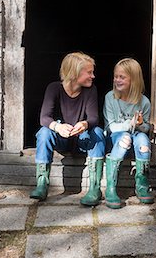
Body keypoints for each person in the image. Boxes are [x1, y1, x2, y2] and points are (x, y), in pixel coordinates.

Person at [30, 52, 105, 206]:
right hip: (61, 139)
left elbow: (93, 118)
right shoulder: (54, 88)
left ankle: (94, 188)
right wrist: (58, 127)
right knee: (44, 132)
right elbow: (44, 118)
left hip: (82, 140)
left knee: (97, 131)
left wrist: (84, 124)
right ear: (75, 73)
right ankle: (42, 184)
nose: (93, 76)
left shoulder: (90, 90)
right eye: (89, 72)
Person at [103, 58, 154, 209]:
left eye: (122, 77)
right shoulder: (110, 97)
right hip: (116, 137)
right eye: (116, 76)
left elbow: (146, 128)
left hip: (136, 136)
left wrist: (139, 124)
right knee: (125, 138)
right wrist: (129, 123)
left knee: (144, 142)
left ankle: (142, 184)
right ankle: (111, 188)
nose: (117, 80)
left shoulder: (143, 102)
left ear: (134, 79)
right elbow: (111, 127)